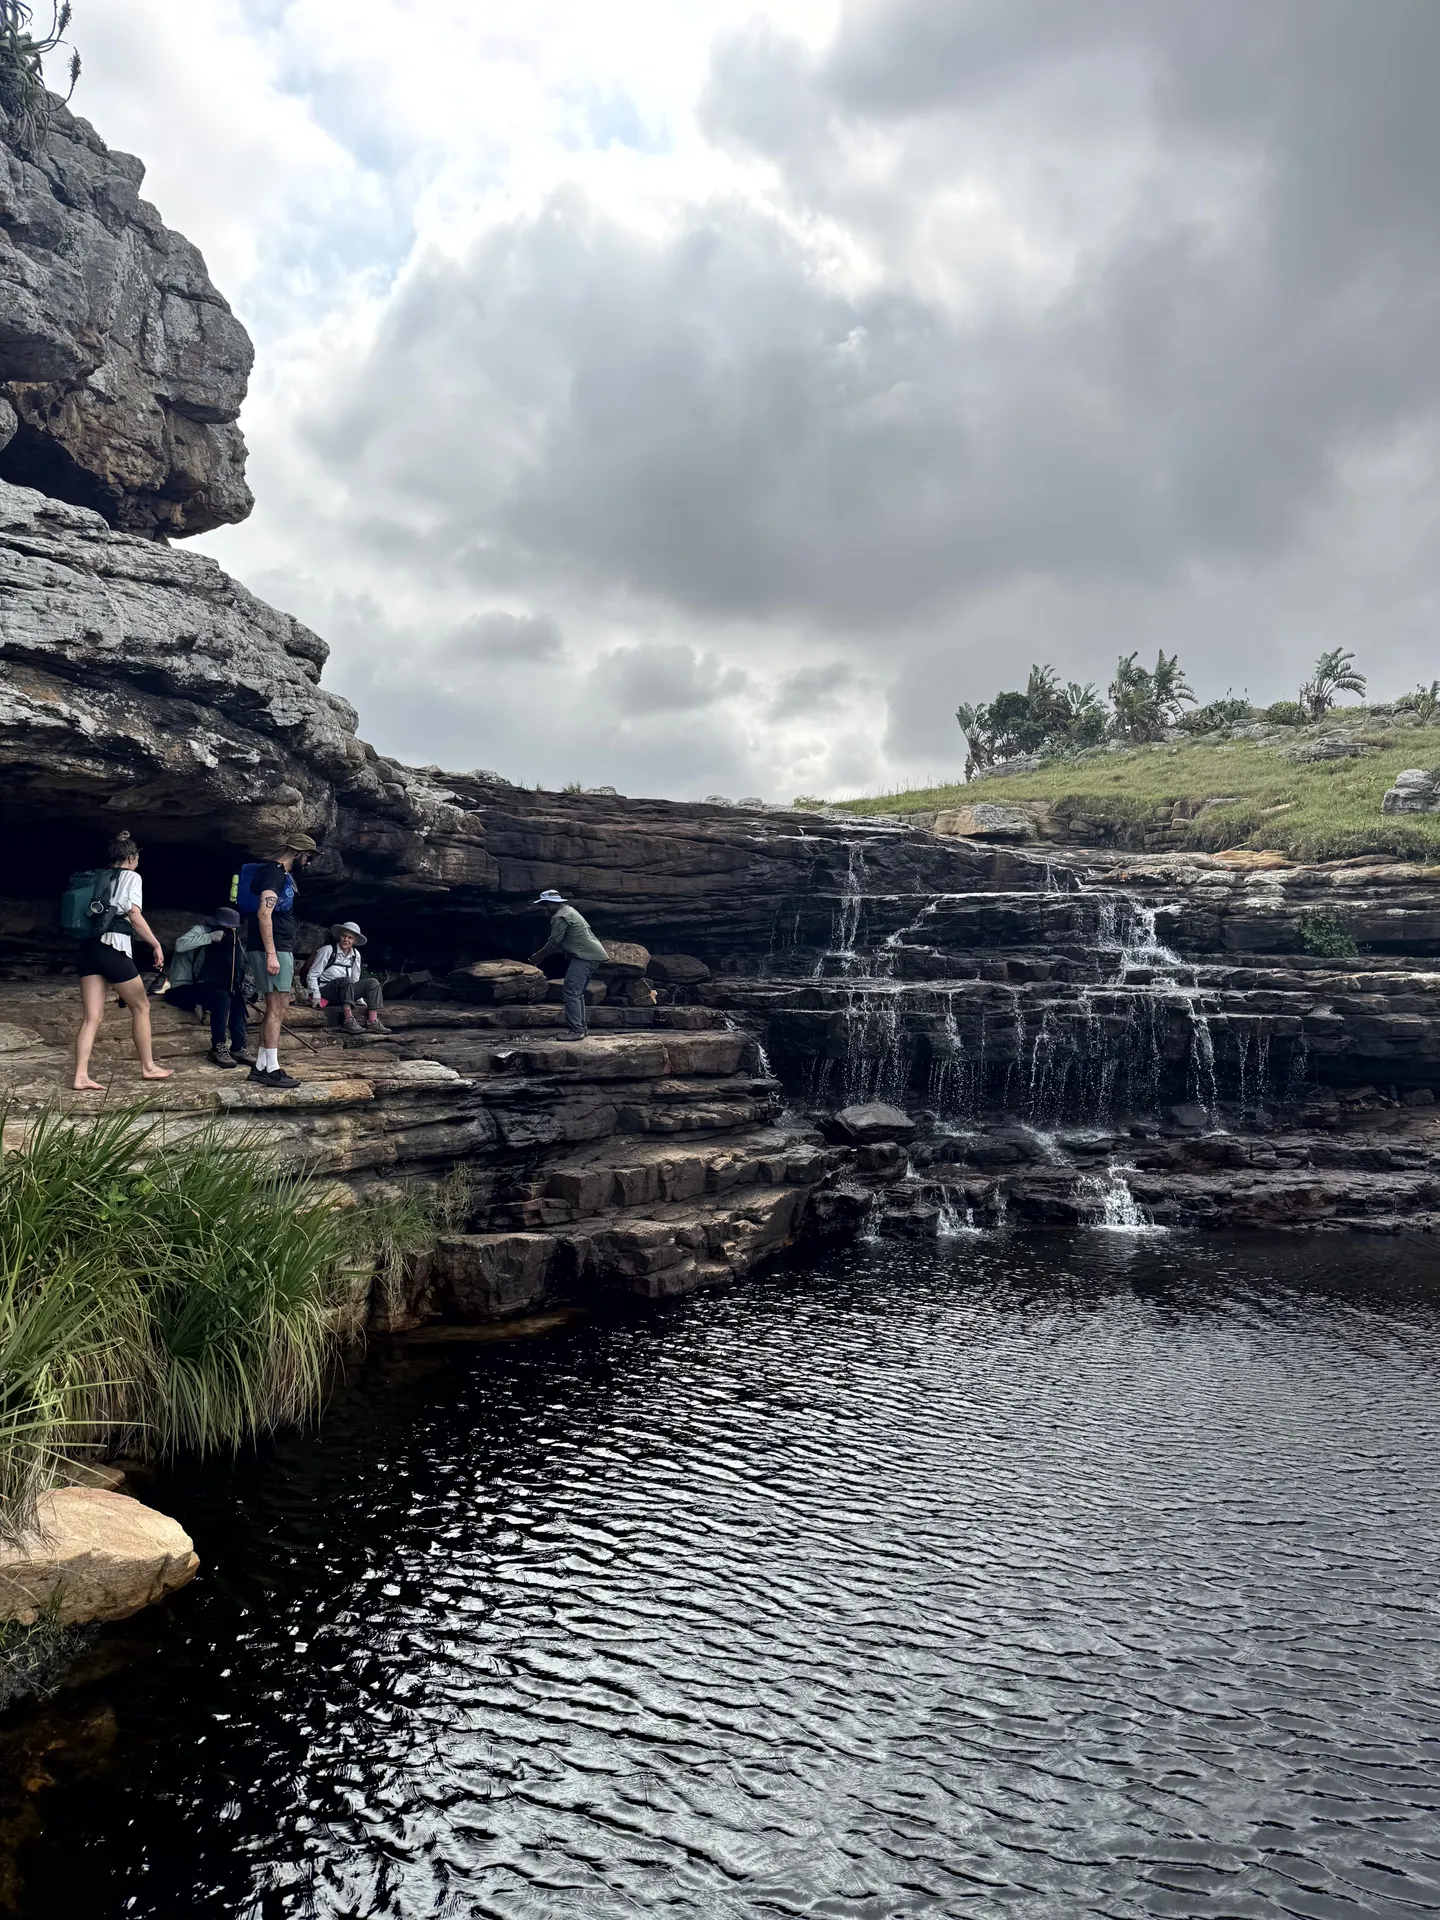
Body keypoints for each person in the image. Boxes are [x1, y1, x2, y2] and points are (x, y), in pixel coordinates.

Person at [72, 831, 174, 1092]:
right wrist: (155, 944)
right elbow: (133, 914)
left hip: (88, 948)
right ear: (130, 857)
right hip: (113, 948)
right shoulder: (131, 877)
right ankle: (148, 1067)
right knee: (141, 1006)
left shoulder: (95, 877)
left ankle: (80, 1076)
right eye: (137, 857)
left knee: (91, 1017)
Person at [242, 832, 317, 1089]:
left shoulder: (277, 873)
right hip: (272, 949)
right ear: (296, 853)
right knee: (276, 1006)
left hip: (274, 947)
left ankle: (262, 1064)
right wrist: (272, 953)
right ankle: (271, 1070)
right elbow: (265, 913)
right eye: (308, 857)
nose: (308, 863)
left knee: (280, 1004)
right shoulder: (274, 873)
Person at [167, 907, 253, 1068]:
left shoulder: (232, 939)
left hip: (208, 987)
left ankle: (238, 1047)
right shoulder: (201, 930)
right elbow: (180, 945)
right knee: (221, 996)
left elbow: (241, 963)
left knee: (236, 997)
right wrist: (210, 937)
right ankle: (217, 1047)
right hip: (183, 987)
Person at [527, 888, 609, 1040]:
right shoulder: (570, 911)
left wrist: (537, 957)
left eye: (546, 905)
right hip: (593, 957)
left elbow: (554, 942)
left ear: (553, 903)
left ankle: (576, 1031)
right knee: (577, 994)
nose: (544, 908)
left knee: (570, 992)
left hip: (584, 957)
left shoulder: (560, 916)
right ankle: (582, 1028)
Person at [305, 922, 389, 1034]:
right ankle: (348, 1021)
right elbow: (312, 974)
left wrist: (359, 999)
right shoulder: (328, 950)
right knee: (346, 980)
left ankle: (373, 1021)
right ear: (340, 936)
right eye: (344, 936)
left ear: (355, 941)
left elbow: (355, 979)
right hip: (326, 991)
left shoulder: (356, 955)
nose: (346, 940)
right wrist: (315, 994)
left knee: (373, 982)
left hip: (345, 991)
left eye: (350, 938)